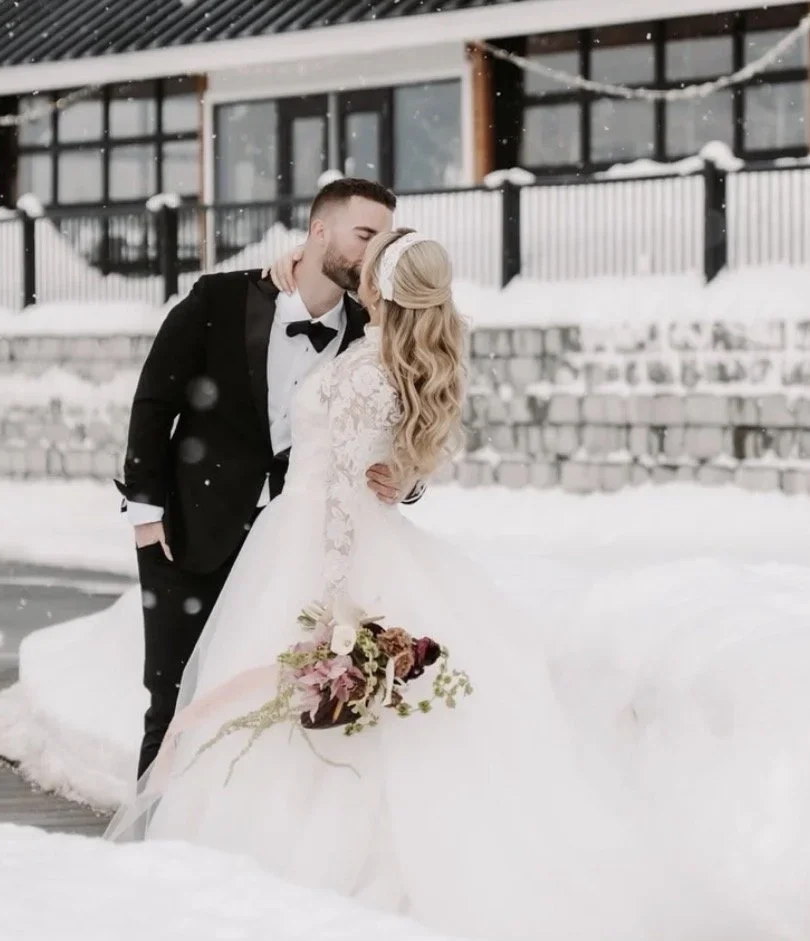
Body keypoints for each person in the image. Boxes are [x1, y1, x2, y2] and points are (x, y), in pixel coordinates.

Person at [108, 230, 678, 941]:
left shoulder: (370, 368)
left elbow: (343, 498)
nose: (358, 264)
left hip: (319, 546)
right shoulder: (391, 351)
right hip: (315, 535)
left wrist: (336, 614)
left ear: (377, 282)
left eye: (370, 259)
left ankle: (306, 881)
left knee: (317, 729)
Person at [118, 177, 423, 777]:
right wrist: (146, 515)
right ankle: (150, 847)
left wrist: (407, 479)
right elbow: (155, 401)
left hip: (294, 548)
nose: (373, 252)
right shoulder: (220, 300)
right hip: (189, 533)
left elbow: (405, 424)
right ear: (317, 231)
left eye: (382, 240)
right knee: (174, 696)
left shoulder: (374, 332)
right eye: (364, 234)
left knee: (273, 700)